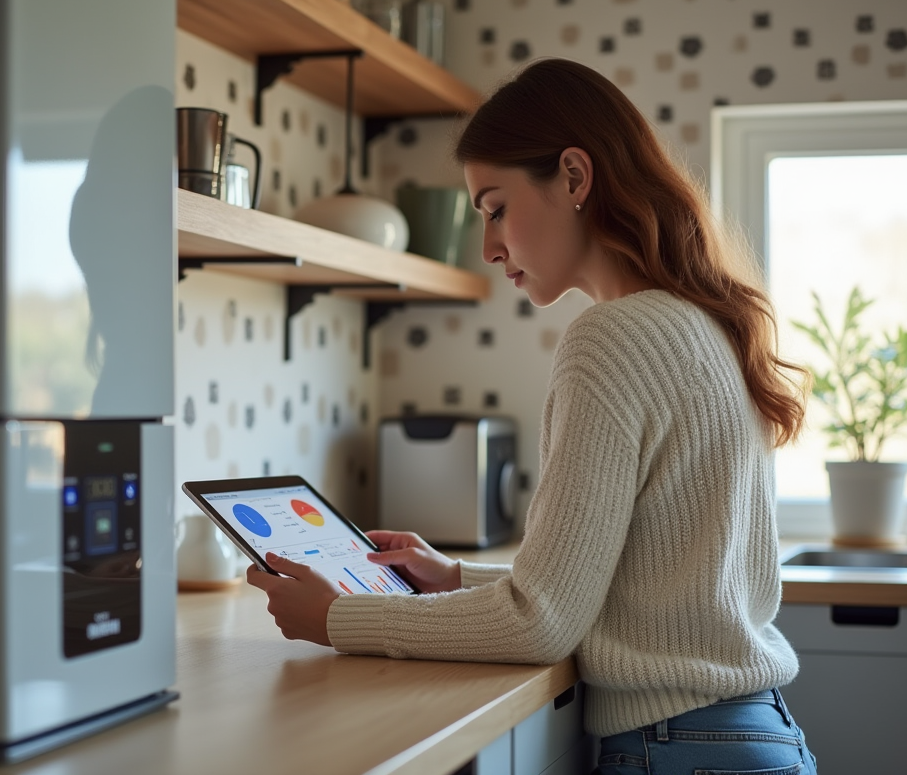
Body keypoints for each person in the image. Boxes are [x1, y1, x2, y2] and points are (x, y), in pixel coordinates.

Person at [246, 57, 818, 774]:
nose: (487, 247)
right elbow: (631, 590)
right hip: (749, 738)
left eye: (494, 208)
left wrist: (337, 618)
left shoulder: (613, 336)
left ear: (575, 178)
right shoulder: (705, 325)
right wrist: (454, 577)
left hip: (680, 751)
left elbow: (541, 620)